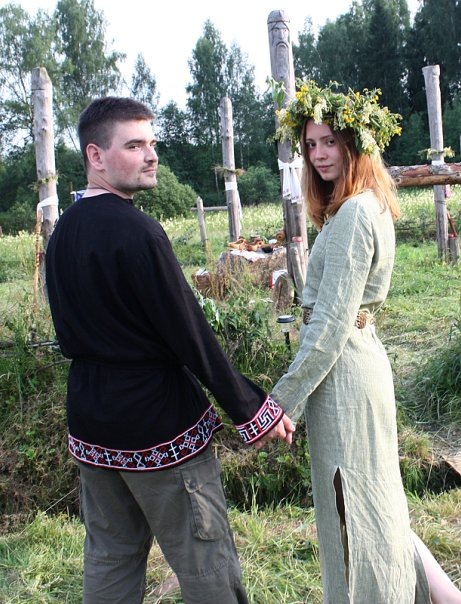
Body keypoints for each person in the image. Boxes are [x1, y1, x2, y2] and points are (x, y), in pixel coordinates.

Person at [45, 96, 295, 604]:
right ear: (96, 155)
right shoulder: (138, 231)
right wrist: (252, 409)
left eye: (151, 143)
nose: (151, 155)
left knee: (110, 556)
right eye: (134, 145)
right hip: (156, 423)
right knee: (205, 559)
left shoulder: (64, 230)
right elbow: (188, 332)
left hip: (92, 421)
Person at [259, 81, 461, 603]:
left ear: (355, 144)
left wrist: (279, 403)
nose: (319, 154)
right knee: (376, 503)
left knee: (354, 503)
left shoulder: (353, 214)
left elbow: (330, 325)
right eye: (310, 144)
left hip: (344, 373)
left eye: (330, 141)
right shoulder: (365, 205)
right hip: (355, 365)